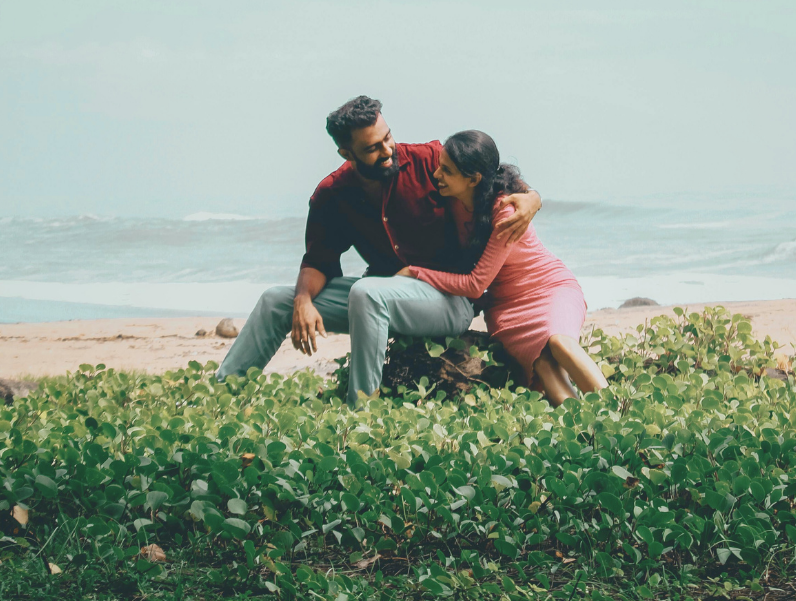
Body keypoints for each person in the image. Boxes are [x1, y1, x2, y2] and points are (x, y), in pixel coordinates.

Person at [216, 96, 542, 403]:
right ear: (347, 153)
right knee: (277, 300)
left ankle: (361, 410)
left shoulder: (429, 160)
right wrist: (302, 301)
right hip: (381, 295)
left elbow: (489, 177)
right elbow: (319, 260)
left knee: (367, 292)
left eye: (388, 137)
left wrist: (532, 197)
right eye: (373, 148)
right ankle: (221, 393)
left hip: (448, 300)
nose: (388, 150)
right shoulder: (332, 194)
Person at [401, 130, 607, 406]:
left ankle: (622, 418)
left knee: (559, 342)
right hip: (507, 310)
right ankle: (589, 435)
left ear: (473, 179)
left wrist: (416, 272)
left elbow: (475, 284)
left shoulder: (505, 210)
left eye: (446, 171)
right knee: (543, 365)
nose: (437, 175)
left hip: (549, 288)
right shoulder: (452, 196)